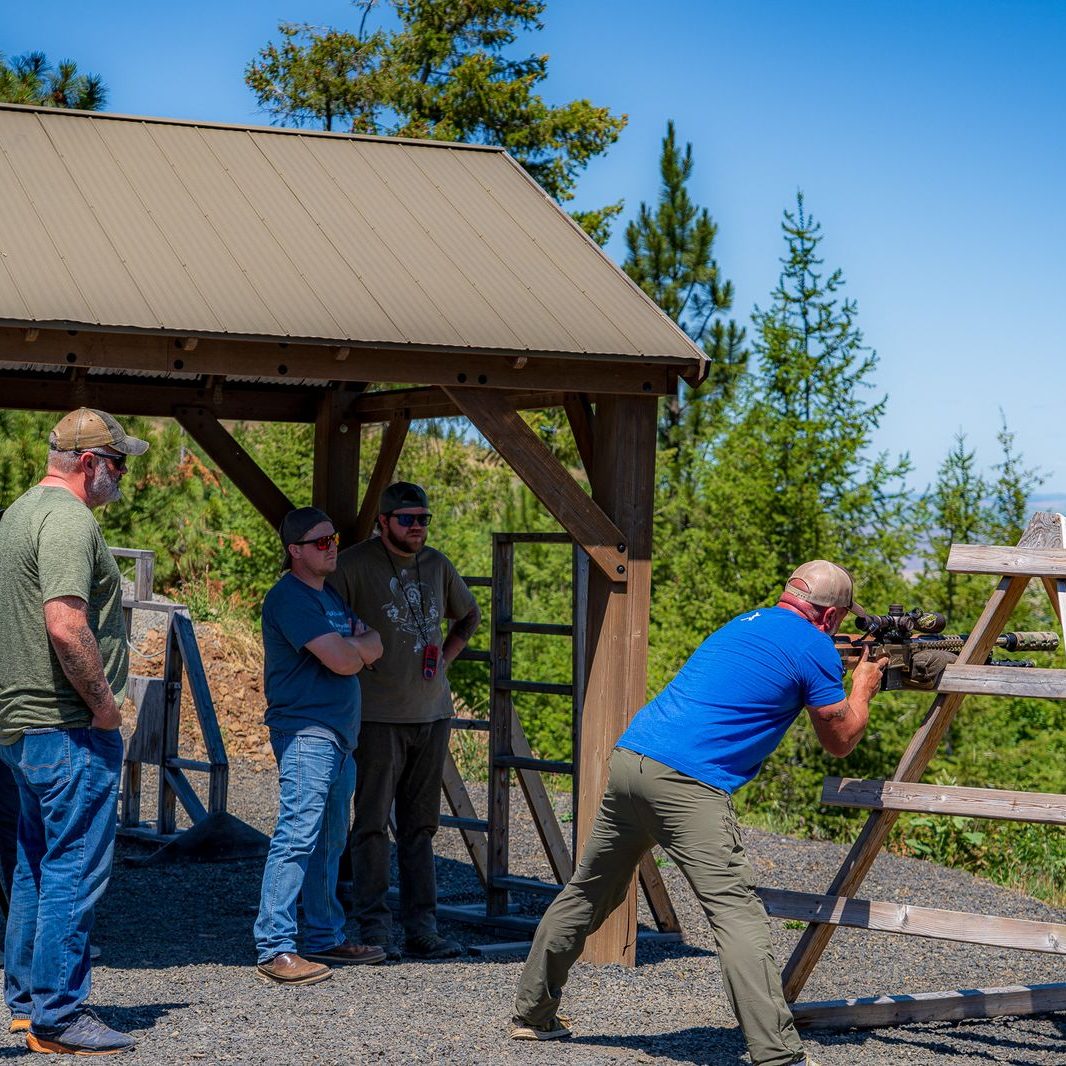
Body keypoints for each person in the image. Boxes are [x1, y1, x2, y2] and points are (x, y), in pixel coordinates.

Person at [510, 560, 890, 1066]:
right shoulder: (816, 645)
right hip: (689, 782)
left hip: (632, 759)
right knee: (738, 916)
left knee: (588, 891)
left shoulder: (745, 622)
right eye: (840, 621)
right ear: (830, 616)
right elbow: (840, 739)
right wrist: (862, 685)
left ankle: (533, 1016)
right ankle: (778, 1054)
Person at [0, 408, 149, 1055]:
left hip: (20, 726)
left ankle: (28, 1004)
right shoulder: (68, 520)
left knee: (34, 866)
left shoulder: (17, 513)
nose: (121, 476)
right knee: (72, 869)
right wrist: (106, 707)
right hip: (66, 725)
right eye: (118, 464)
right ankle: (59, 1016)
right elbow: (65, 623)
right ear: (90, 463)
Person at [328, 482, 481, 960]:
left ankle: (422, 929)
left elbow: (468, 615)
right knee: (370, 824)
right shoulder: (352, 565)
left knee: (421, 827)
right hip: (375, 717)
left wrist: (446, 660)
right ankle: (374, 927)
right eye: (408, 519)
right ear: (384, 521)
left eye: (423, 519)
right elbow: (326, 625)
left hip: (431, 714)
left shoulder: (436, 564)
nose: (418, 527)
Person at [254, 507, 387, 984]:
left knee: (328, 842)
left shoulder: (327, 595)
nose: (331, 546)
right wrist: (355, 651)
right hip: (308, 733)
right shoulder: (289, 599)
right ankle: (274, 945)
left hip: (338, 738)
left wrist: (356, 649)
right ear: (295, 551)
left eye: (333, 538)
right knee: (296, 836)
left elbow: (375, 641)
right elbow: (347, 660)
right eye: (320, 542)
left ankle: (324, 935)